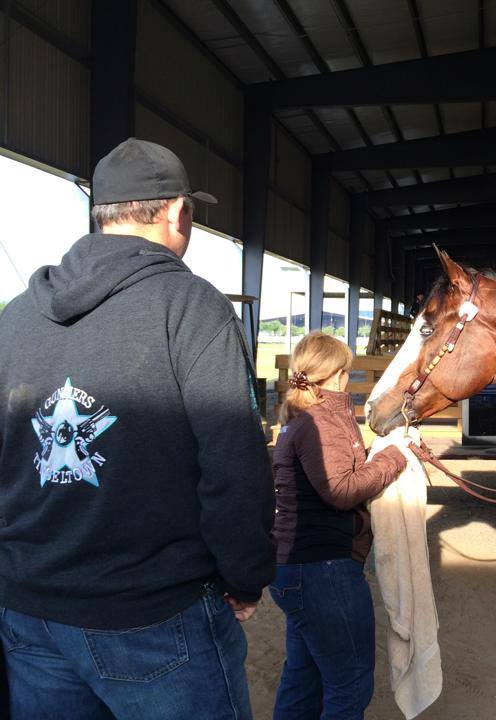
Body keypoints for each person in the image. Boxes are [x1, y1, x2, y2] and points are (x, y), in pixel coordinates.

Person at [0, 138, 276, 719]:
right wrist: (245, 576)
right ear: (178, 212)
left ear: (100, 215)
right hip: (151, 614)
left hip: (29, 612)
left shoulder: (15, 317)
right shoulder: (191, 306)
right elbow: (234, 461)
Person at [271, 331, 410, 720]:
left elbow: (333, 471)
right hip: (323, 571)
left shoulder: (304, 418)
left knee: (303, 680)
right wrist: (395, 458)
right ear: (336, 375)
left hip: (297, 568)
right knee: (349, 684)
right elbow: (341, 489)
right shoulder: (321, 421)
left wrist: (373, 455)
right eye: (347, 371)